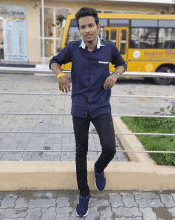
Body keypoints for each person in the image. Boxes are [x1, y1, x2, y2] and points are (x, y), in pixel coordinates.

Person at [49, 7, 126, 217]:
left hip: (101, 106)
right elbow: (54, 61)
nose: (87, 30)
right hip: (80, 108)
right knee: (80, 152)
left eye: (90, 25)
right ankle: (84, 193)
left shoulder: (109, 48)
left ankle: (99, 169)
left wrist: (115, 74)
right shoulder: (73, 48)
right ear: (80, 30)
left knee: (110, 148)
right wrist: (60, 75)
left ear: (98, 26)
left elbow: (122, 64)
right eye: (83, 27)